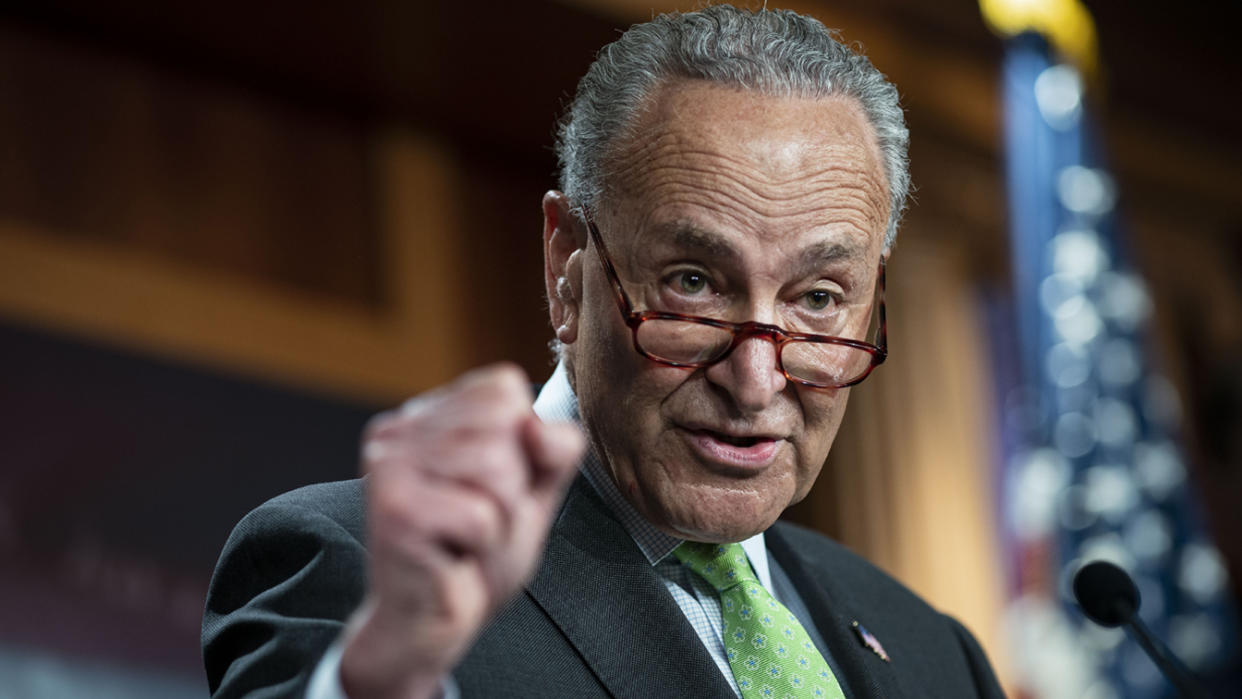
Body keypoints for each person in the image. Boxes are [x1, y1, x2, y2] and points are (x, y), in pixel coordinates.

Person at [203, 6, 1005, 698]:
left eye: (821, 299)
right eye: (695, 282)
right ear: (567, 267)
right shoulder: (367, 579)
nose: (756, 382)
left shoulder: (934, 651)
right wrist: (391, 667)